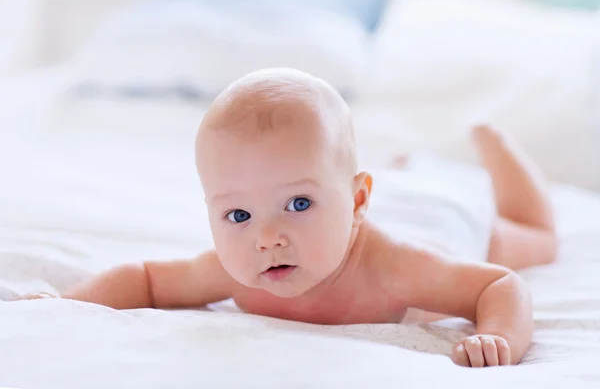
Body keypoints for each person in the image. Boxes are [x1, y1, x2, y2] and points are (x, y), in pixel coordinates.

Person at [17, 68, 557, 368]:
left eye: (298, 205)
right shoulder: (233, 268)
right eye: (238, 214)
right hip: (377, 191)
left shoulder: (398, 268)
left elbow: (501, 285)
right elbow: (148, 279)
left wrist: (499, 338)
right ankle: (400, 164)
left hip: (441, 217)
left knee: (535, 242)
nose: (268, 237)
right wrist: (70, 305)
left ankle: (497, 145)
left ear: (356, 203)